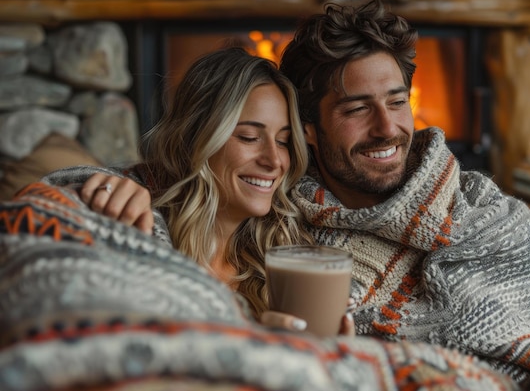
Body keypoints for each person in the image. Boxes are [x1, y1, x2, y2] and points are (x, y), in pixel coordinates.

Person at [80, 1, 530, 386]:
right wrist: (114, 185)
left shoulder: (487, 213)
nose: (387, 128)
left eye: (395, 102)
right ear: (312, 131)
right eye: (356, 108)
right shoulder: (283, 216)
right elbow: (169, 177)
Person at [43, 47, 350, 333]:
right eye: (248, 137)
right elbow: (42, 204)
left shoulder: (285, 253)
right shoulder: (141, 227)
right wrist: (95, 185)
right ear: (197, 139)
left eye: (283, 141)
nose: (274, 160)